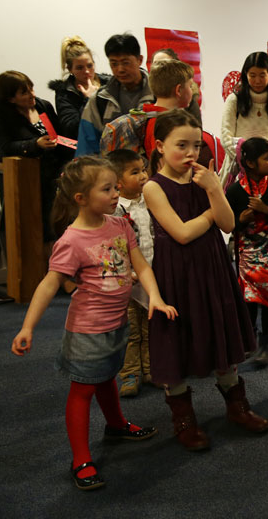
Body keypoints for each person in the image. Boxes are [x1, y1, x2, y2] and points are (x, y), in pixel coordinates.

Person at [10, 156, 177, 491]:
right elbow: (49, 283)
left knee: (105, 377)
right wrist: (27, 327)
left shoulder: (119, 225)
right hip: (87, 330)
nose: (116, 193)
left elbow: (141, 265)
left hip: (116, 324)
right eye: (107, 189)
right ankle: (81, 458)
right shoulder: (71, 240)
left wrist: (154, 297)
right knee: (83, 388)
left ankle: (115, 425)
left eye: (116, 186)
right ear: (80, 198)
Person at [143, 109, 268, 451]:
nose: (190, 153)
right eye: (180, 145)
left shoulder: (206, 177)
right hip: (177, 275)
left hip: (212, 267)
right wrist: (210, 213)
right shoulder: (154, 187)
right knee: (179, 343)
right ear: (159, 146)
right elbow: (182, 234)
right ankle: (183, 420)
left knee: (220, 335)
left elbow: (228, 224)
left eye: (196, 145)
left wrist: (215, 190)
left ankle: (237, 408)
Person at [225, 137, 268, 366]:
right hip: (248, 256)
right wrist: (240, 220)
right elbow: (227, 225)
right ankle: (250, 341)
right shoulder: (235, 191)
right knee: (249, 300)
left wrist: (266, 210)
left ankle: (266, 343)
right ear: (252, 163)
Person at [0, 70, 73, 243]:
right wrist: (35, 144)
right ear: (10, 99)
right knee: (33, 235)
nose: (32, 95)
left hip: (54, 178)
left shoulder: (43, 106)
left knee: (59, 227)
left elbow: (60, 135)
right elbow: (6, 147)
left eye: (31, 89)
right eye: (24, 92)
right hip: (25, 181)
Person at [99, 59, 224, 170]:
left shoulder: (146, 119)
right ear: (179, 90)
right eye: (190, 86)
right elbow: (162, 169)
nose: (192, 91)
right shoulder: (165, 124)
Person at [107, 149, 155, 396]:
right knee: (129, 330)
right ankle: (129, 374)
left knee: (151, 328)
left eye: (143, 169)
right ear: (117, 181)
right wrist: (124, 271)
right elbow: (111, 247)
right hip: (126, 282)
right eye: (134, 172)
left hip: (150, 277)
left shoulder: (150, 201)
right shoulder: (113, 210)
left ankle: (150, 369)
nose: (143, 176)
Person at [219, 52, 268, 186]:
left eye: (262, 75)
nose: (257, 81)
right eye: (252, 75)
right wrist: (247, 162)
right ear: (245, 75)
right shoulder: (234, 100)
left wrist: (267, 164)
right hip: (237, 169)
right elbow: (226, 136)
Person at [76, 33, 154, 156]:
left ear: (140, 60)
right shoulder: (99, 100)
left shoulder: (159, 94)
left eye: (125, 62)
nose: (120, 69)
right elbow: (87, 146)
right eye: (114, 64)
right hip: (110, 171)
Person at [48, 36, 110, 139]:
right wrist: (89, 100)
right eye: (79, 68)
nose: (86, 71)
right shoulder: (65, 93)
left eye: (90, 66)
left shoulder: (108, 83)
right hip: (86, 147)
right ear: (70, 69)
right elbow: (71, 130)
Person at [150, 48, 202, 121]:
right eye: (156, 64)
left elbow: (197, 128)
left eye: (166, 63)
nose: (161, 68)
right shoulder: (147, 96)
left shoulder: (189, 100)